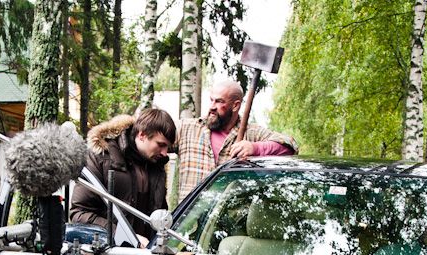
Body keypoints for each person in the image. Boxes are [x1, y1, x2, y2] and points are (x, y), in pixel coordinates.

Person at [176, 79, 299, 200]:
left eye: (219, 101)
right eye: (211, 100)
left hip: (228, 212)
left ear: (235, 105)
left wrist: (255, 148)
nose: (212, 107)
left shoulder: (251, 134)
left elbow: (291, 145)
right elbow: (162, 133)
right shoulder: (187, 129)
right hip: (188, 213)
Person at [69, 108, 177, 239]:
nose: (165, 153)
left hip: (148, 251)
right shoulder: (101, 157)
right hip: (108, 250)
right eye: (160, 144)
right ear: (142, 135)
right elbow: (79, 214)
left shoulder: (157, 166)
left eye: (167, 147)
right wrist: (126, 237)